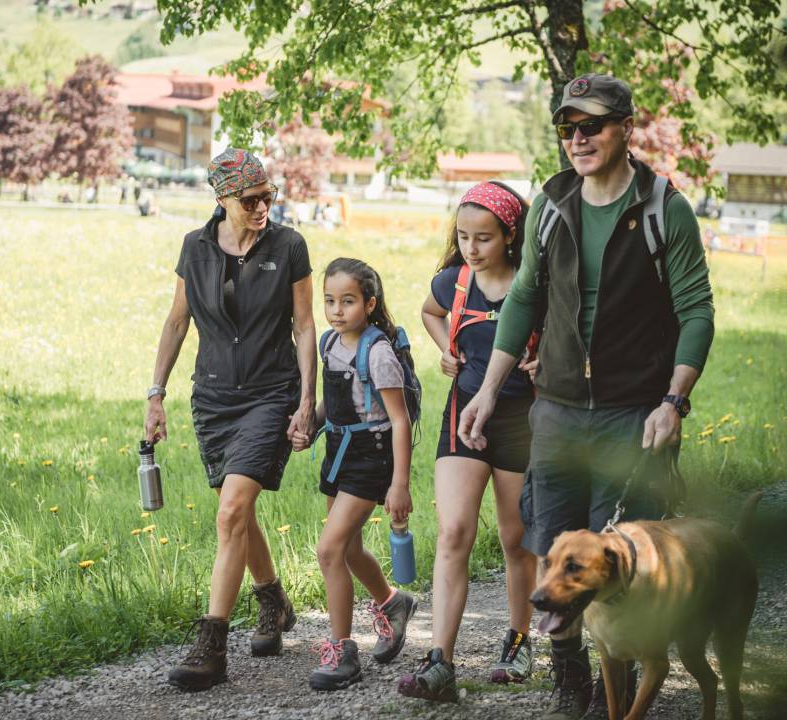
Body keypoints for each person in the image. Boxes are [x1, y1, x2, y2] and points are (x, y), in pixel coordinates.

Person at [458, 74, 714, 720]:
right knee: (554, 545)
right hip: (560, 409)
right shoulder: (551, 205)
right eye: (568, 129)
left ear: (627, 127)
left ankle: (617, 690)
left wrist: (673, 401)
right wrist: (489, 390)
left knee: (617, 555)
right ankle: (570, 676)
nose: (579, 140)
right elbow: (523, 300)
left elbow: (697, 312)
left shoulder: (663, 209)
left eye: (592, 126)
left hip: (635, 412)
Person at [144, 147, 317, 691]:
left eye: (268, 195)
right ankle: (274, 603)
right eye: (250, 199)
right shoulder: (194, 249)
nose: (263, 205)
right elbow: (177, 323)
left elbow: (307, 326)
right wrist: (156, 395)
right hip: (214, 400)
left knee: (232, 510)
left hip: (271, 394)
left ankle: (211, 645)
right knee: (234, 510)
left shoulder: (288, 245)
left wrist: (307, 401)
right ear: (221, 199)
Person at [397, 182, 538, 703]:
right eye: (463, 237)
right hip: (462, 418)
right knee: (453, 531)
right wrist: (446, 348)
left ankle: (519, 640)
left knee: (514, 538)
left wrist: (545, 359)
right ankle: (440, 660)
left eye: (483, 238)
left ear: (509, 235)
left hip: (521, 421)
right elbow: (430, 313)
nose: (472, 249)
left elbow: (570, 335)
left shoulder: (532, 283)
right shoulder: (453, 282)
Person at [290, 258, 416, 691]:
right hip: (337, 451)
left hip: (371, 458)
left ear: (369, 303)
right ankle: (392, 603)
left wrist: (399, 484)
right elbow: (337, 404)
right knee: (347, 550)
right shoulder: (329, 344)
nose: (337, 310)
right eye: (329, 301)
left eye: (348, 301)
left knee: (329, 550)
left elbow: (398, 421)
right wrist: (312, 423)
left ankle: (341, 649)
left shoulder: (378, 353)